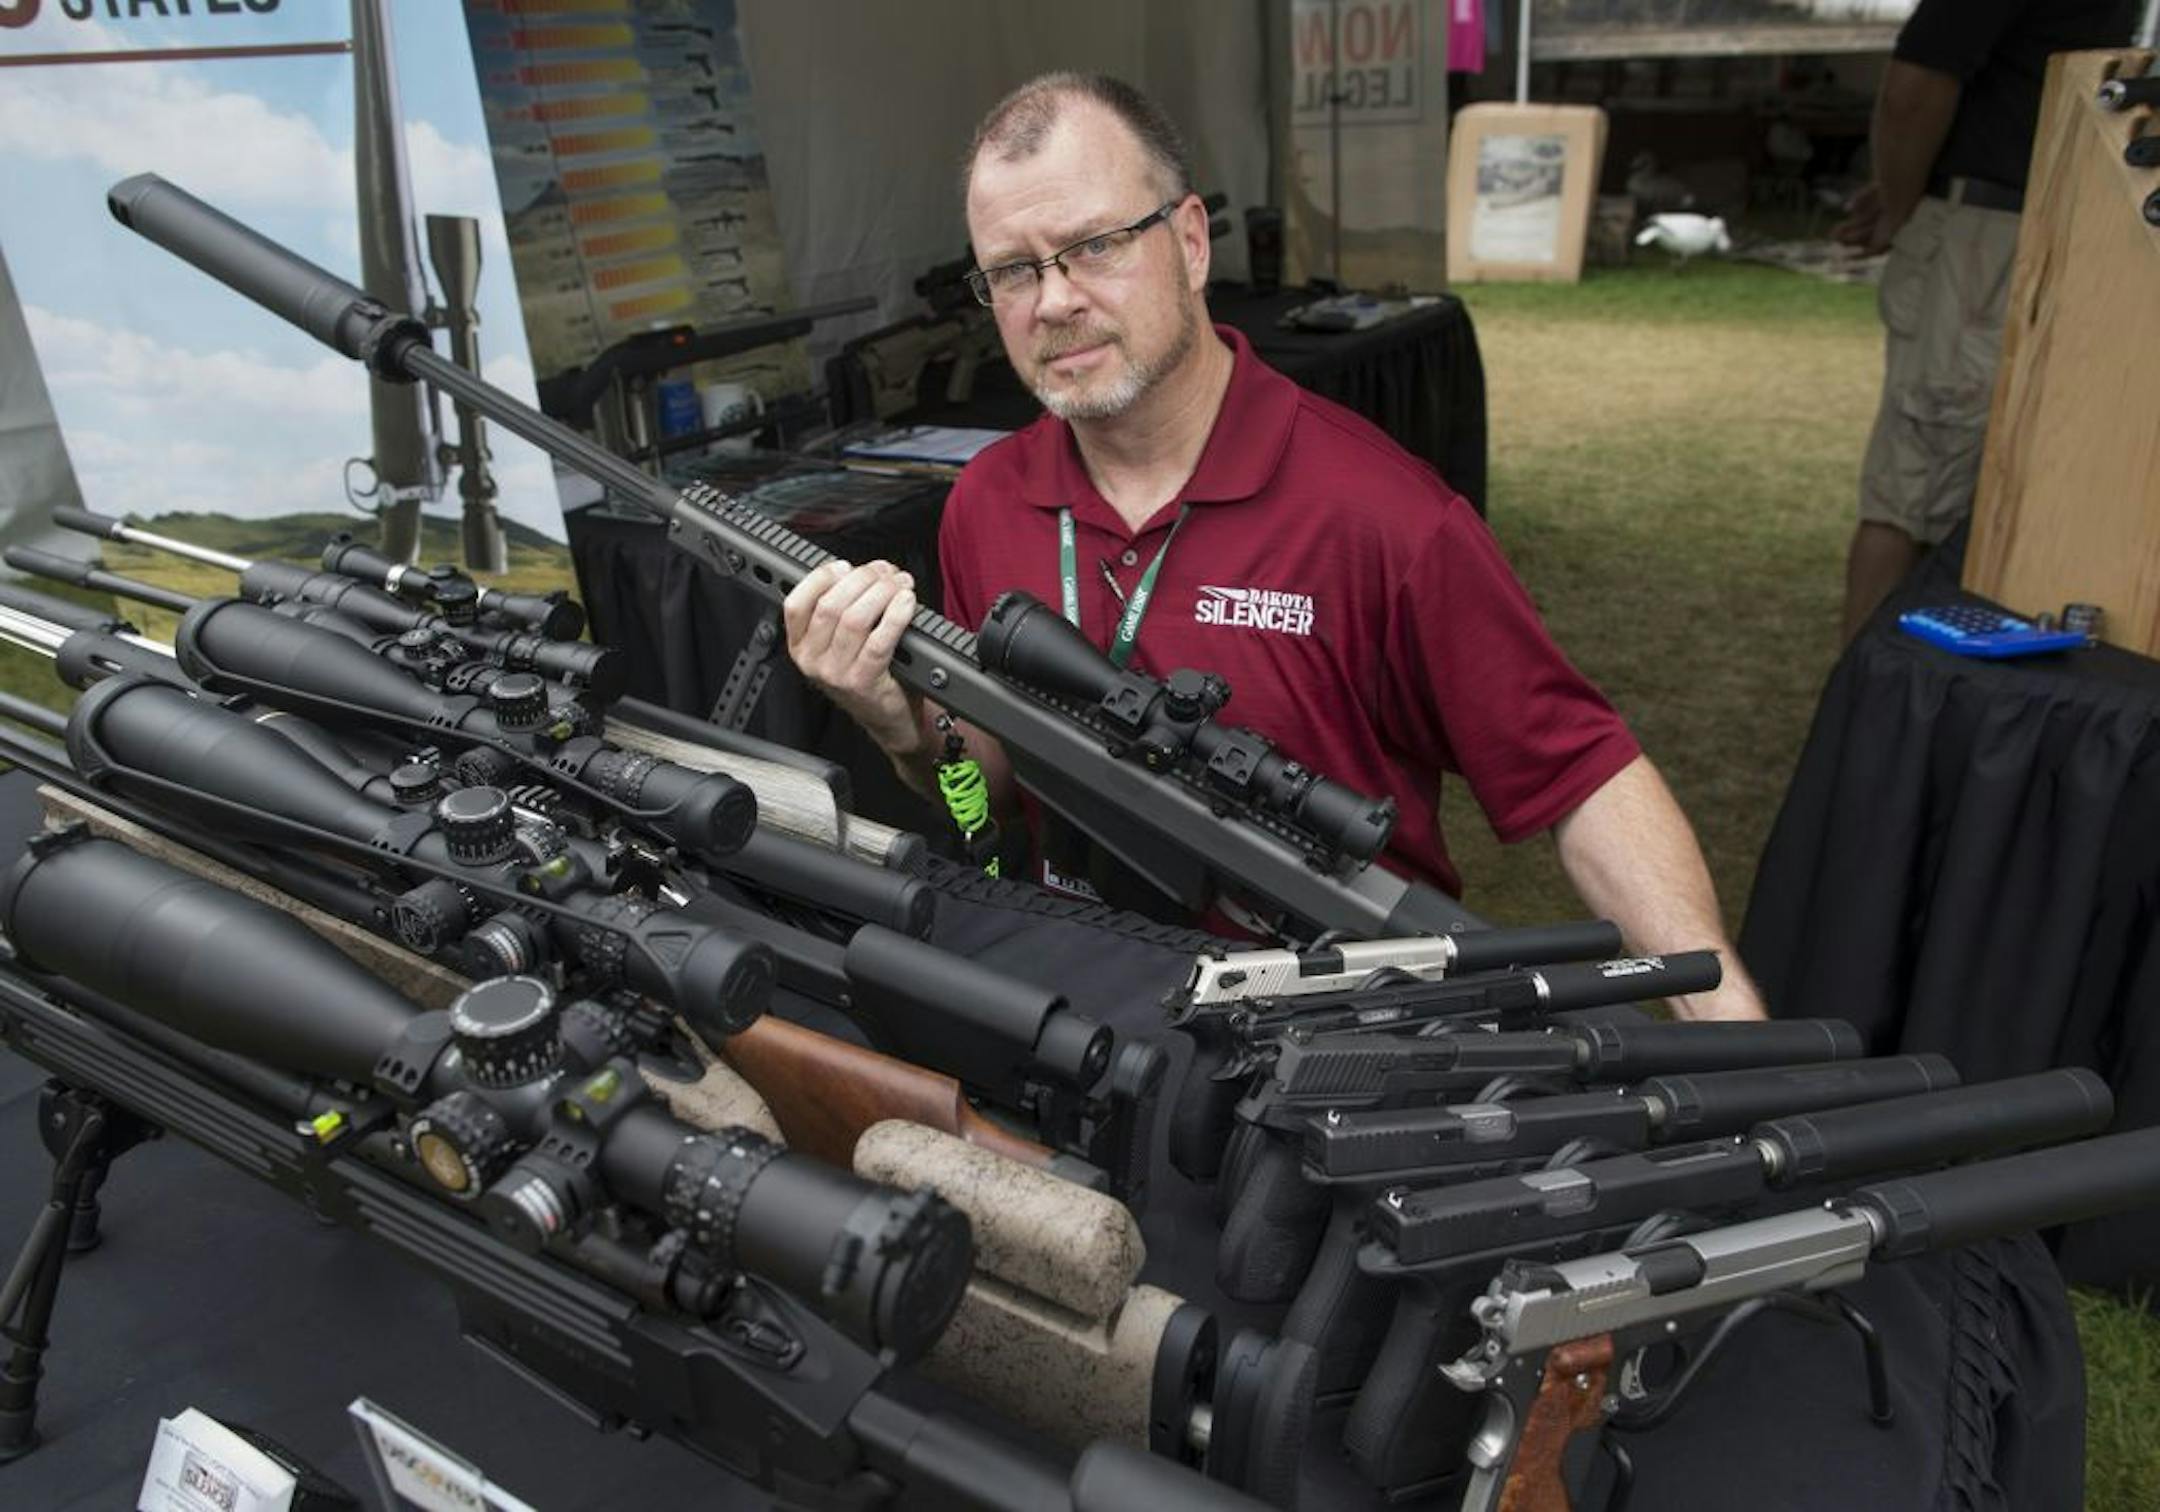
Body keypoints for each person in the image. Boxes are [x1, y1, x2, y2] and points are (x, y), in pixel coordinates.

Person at [786, 71, 1764, 1021]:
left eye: (1092, 246)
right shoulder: (987, 503)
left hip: (1332, 1034)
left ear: (1192, 240)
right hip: (1081, 1009)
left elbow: (1581, 777)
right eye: (1012, 270)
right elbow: (983, 813)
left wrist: (1723, 1019)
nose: (1053, 301)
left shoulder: (1380, 517)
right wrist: (910, 732)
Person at [1836, 0, 2135, 642]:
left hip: (2033, 230)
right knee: (1916, 495)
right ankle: (1867, 710)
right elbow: (1913, 90)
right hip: (1984, 243)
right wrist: (1901, 201)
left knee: (1985, 497)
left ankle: (1922, 706)